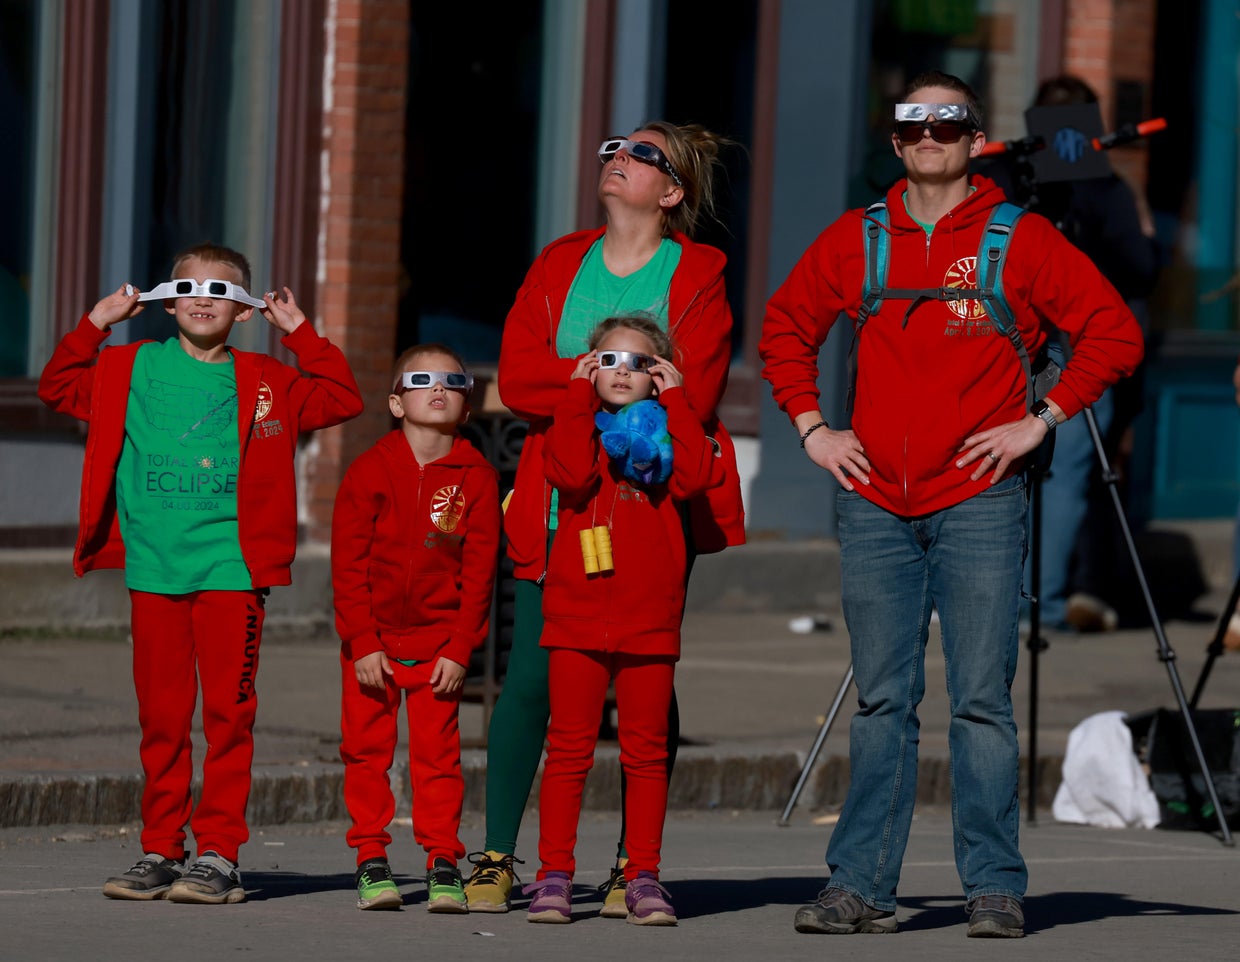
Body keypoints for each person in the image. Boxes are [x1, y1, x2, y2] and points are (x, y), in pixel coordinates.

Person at [759, 71, 1144, 938]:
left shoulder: (1022, 238)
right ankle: (858, 886)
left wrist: (1039, 422)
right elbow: (784, 329)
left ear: (977, 140)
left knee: (980, 701)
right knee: (882, 701)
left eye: (949, 121)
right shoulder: (858, 240)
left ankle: (994, 887)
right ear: (896, 143)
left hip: (979, 501)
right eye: (914, 122)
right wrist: (815, 429)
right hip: (873, 504)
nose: (930, 133)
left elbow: (1114, 333)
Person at [465, 121, 745, 915]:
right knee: (529, 681)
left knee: (648, 680)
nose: (618, 158)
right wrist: (590, 380)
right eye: (613, 148)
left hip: (654, 511)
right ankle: (499, 855)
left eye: (642, 154)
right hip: (559, 496)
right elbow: (516, 376)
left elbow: (701, 385)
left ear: (672, 191)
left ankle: (634, 864)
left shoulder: (697, 273)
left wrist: (596, 386)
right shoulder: (561, 260)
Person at [37, 242, 364, 903]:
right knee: (162, 717)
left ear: (244, 311)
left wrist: (300, 333)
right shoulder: (129, 366)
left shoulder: (268, 378)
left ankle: (218, 854)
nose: (204, 298)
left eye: (222, 290)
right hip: (155, 568)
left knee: (227, 714)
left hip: (233, 569)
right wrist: (97, 322)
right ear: (166, 298)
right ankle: (160, 849)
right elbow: (55, 386)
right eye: (190, 286)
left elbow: (343, 397)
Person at [521, 315, 726, 926]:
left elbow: (695, 476)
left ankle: (642, 876)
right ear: (589, 369)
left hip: (648, 619)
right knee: (568, 753)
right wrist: (574, 397)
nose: (620, 373)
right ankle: (553, 876)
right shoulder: (576, 423)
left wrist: (681, 401)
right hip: (577, 615)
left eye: (638, 364)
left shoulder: (671, 429)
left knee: (645, 753)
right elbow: (570, 474)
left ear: (657, 375)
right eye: (607, 361)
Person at [331, 343, 501, 911]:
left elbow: (479, 574)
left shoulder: (476, 478)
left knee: (437, 760)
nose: (438, 388)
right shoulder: (369, 470)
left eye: (453, 381)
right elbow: (347, 564)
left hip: (438, 647)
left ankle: (442, 860)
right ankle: (371, 859)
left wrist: (460, 648)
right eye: (422, 379)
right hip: (372, 644)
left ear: (467, 408)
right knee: (366, 753)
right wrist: (360, 640)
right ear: (396, 402)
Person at [989, 75, 1160, 632]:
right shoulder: (1100, 184)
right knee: (1063, 471)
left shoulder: (1002, 175)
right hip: (1072, 340)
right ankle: (1042, 603)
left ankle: (996, 597)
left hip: (1003, 338)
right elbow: (1140, 268)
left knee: (998, 461)